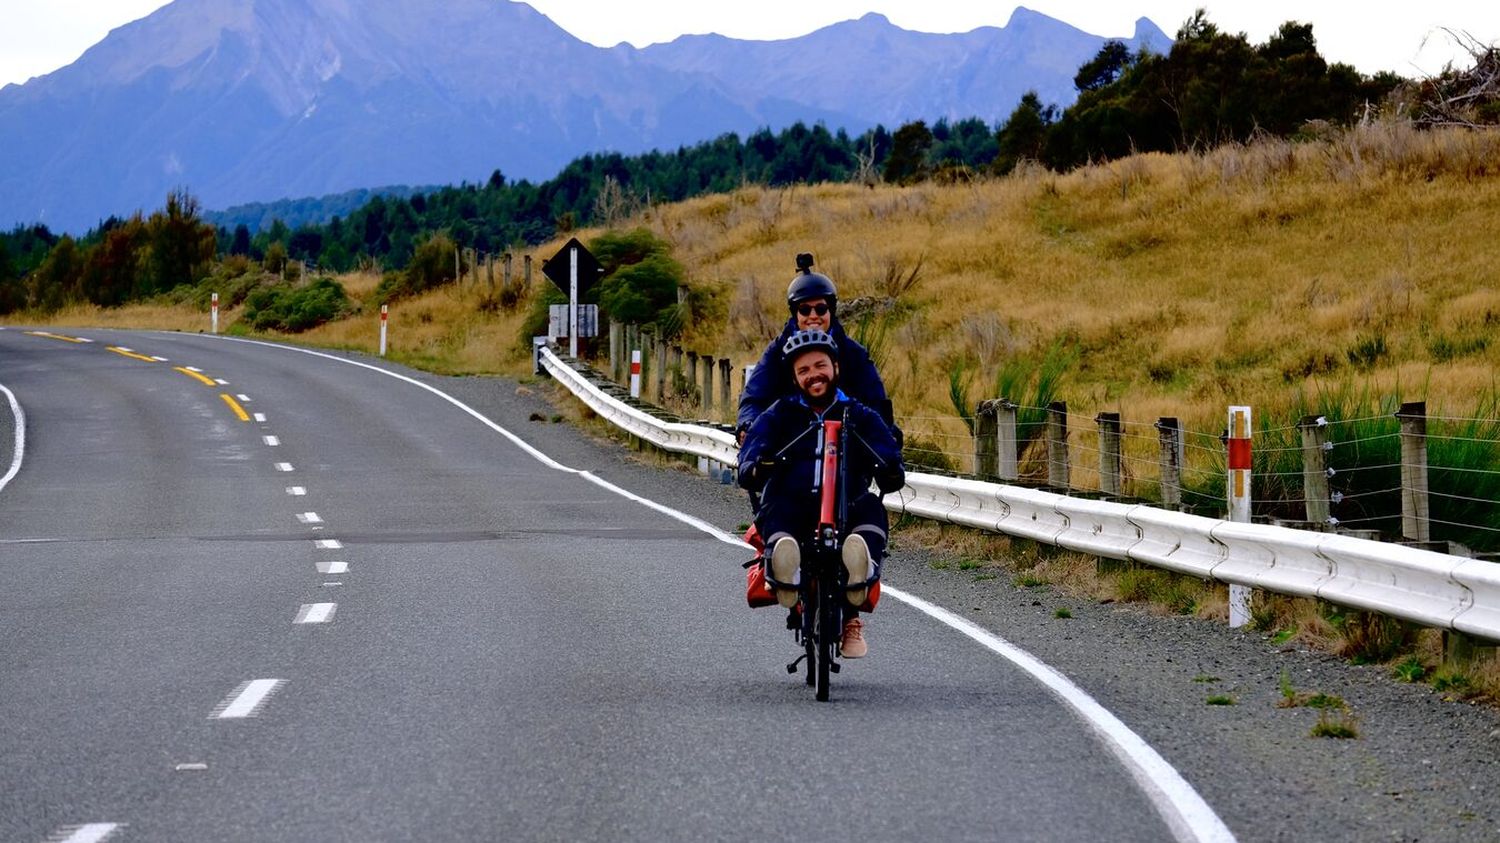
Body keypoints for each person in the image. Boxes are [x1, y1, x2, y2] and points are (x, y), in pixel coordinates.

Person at [738, 330, 905, 659]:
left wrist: (890, 468)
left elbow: (888, 453)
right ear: (794, 378)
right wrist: (756, 466)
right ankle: (783, 571)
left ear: (836, 367)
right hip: (793, 503)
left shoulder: (857, 413)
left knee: (871, 511)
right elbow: (750, 456)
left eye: (820, 365)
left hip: (847, 503)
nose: (813, 375)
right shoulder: (780, 414)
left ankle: (860, 573)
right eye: (803, 370)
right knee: (776, 514)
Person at [736, 253, 894, 446]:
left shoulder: (853, 353)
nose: (813, 316)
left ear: (831, 311)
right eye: (804, 310)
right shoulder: (776, 352)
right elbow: (755, 396)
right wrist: (748, 425)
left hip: (845, 446)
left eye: (821, 309)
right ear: (795, 314)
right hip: (789, 447)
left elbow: (876, 400)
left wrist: (886, 436)